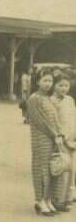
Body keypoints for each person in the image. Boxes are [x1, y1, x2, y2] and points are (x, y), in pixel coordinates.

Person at [26, 69, 65, 216]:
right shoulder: (34, 98)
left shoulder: (48, 98)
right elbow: (40, 121)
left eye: (50, 81)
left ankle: (48, 199)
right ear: (37, 82)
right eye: (45, 81)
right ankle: (39, 200)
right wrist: (54, 134)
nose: (48, 84)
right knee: (41, 169)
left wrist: (59, 134)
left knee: (51, 169)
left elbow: (55, 119)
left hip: (53, 138)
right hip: (41, 138)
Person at [50, 73, 75, 211]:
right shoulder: (51, 100)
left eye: (66, 85)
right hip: (59, 139)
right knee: (60, 169)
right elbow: (52, 121)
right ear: (54, 85)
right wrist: (59, 135)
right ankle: (57, 200)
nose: (63, 88)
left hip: (71, 139)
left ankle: (67, 198)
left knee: (71, 170)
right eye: (60, 85)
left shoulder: (70, 100)